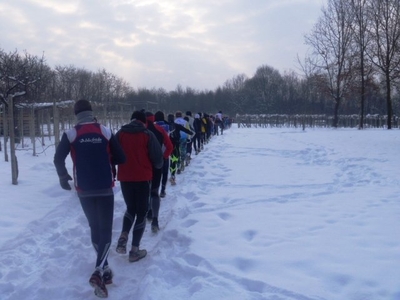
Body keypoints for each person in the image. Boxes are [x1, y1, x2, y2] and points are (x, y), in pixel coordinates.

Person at [54, 99, 126, 298]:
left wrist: (63, 176)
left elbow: (58, 158)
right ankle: (98, 270)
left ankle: (105, 269)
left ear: (75, 114)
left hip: (83, 188)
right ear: (91, 112)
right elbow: (122, 158)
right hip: (104, 186)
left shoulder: (70, 134)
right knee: (106, 230)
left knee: (95, 227)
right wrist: (107, 158)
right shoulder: (105, 131)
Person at [115, 111, 163, 261]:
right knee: (141, 213)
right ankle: (134, 250)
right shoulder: (147, 134)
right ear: (144, 122)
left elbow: (113, 153)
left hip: (125, 178)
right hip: (143, 178)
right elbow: (157, 158)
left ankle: (124, 235)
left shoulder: (120, 134)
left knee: (130, 208)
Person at [145, 111, 173, 233]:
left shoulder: (141, 131)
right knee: (154, 191)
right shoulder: (160, 129)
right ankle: (155, 220)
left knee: (146, 190)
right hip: (157, 164)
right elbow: (170, 146)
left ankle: (148, 211)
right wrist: (164, 157)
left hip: (143, 166)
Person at [154, 111, 172, 197]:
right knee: (165, 172)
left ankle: (155, 190)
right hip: (165, 152)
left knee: (156, 173)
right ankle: (163, 190)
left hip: (154, 153)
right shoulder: (167, 126)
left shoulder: (152, 127)